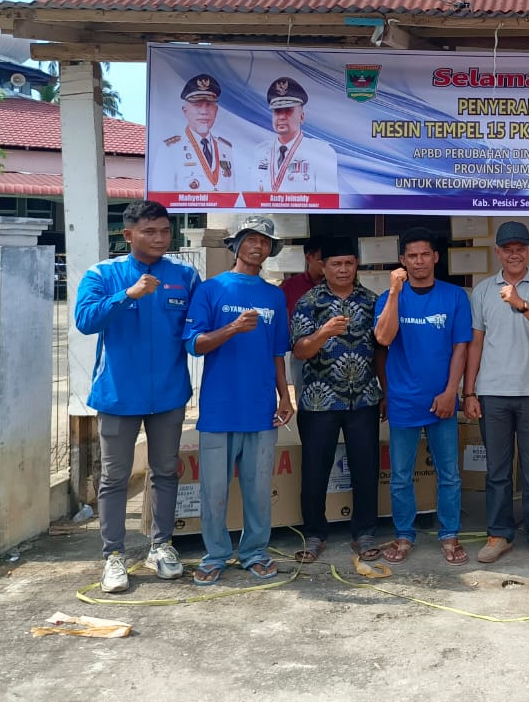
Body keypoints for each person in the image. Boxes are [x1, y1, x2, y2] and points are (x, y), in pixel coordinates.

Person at [73, 200, 201, 593]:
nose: (160, 238)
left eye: (165, 231)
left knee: (165, 471)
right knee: (114, 477)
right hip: (117, 395)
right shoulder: (103, 274)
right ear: (128, 234)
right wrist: (127, 294)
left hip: (168, 393)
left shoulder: (185, 275)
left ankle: (160, 545)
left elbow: (196, 331)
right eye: (150, 231)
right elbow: (84, 320)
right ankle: (113, 554)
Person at [183, 215, 295, 585]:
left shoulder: (274, 295)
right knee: (213, 490)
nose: (258, 246)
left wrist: (284, 396)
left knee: (259, 491)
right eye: (251, 238)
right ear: (235, 245)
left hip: (261, 409)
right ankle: (215, 555)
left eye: (265, 241)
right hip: (219, 409)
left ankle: (254, 553)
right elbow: (195, 344)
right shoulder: (211, 290)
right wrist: (231, 328)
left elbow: (279, 351)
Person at [462, 221, 529, 566]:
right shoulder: (483, 290)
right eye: (508, 248)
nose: (514, 253)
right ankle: (499, 534)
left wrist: (520, 303)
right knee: (497, 472)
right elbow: (475, 342)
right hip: (492, 392)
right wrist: (469, 391)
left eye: (521, 247)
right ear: (498, 252)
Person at [374, 227, 472, 566]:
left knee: (449, 474)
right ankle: (404, 534)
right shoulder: (390, 297)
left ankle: (450, 534)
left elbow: (461, 347)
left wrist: (451, 392)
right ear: (402, 260)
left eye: (424, 255)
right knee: (400, 475)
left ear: (435, 257)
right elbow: (384, 339)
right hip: (403, 400)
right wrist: (393, 292)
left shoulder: (454, 296)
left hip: (442, 401)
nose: (418, 261)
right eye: (411, 256)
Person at [289, 237, 384, 564]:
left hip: (364, 400)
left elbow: (381, 350)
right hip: (319, 401)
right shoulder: (309, 302)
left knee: (366, 466)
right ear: (323, 267)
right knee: (315, 468)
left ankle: (365, 531)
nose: (343, 269)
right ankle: (314, 533)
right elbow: (300, 350)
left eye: (348, 263)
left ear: (356, 265)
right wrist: (323, 333)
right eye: (335, 264)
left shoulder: (371, 301)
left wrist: (384, 391)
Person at [252, 76, 340, 193]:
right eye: (277, 111)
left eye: (288, 110)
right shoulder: (260, 151)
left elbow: (329, 203)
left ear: (302, 117)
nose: (282, 117)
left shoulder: (321, 153)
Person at [162, 73, 237, 192]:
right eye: (197, 105)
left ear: (216, 111)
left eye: (209, 105)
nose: (204, 112)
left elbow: (232, 192)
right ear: (185, 111)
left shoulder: (225, 148)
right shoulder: (170, 149)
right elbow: (163, 195)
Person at [281, 236, 325, 389]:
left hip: (334, 353)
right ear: (309, 257)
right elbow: (279, 317)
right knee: (304, 402)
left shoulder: (338, 286)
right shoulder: (290, 286)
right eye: (321, 259)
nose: (326, 264)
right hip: (302, 354)